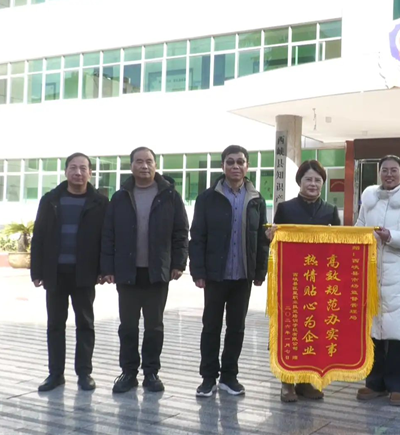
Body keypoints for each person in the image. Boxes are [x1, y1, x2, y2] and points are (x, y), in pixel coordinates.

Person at [101, 147, 189, 394]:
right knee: (128, 326)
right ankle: (128, 372)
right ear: (131, 166)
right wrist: (107, 267)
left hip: (157, 272)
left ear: (155, 165)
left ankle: (151, 373)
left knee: (154, 326)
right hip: (127, 272)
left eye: (149, 161)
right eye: (139, 161)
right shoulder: (120, 197)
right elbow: (108, 234)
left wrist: (178, 263)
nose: (144, 166)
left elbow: (181, 232)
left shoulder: (170, 196)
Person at [190, 145, 269, 398]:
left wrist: (260, 271)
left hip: (243, 275)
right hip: (215, 275)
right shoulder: (207, 198)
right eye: (230, 162)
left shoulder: (256, 199)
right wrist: (198, 271)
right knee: (211, 327)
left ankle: (229, 376)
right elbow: (197, 236)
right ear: (223, 166)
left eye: (240, 162)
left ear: (247, 166)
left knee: (237, 328)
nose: (236, 166)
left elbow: (262, 238)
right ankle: (208, 378)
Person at [31, 153, 108, 392]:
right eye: (73, 168)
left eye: (83, 168)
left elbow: (106, 238)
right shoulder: (51, 199)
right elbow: (39, 235)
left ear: (90, 173)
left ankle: (84, 373)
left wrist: (104, 269)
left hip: (84, 273)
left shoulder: (99, 202)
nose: (78, 172)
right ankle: (55, 374)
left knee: (85, 323)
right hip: (55, 272)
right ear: (65, 172)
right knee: (55, 324)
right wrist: (37, 270)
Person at [355, 155, 400, 407]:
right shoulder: (368, 200)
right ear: (379, 173)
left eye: (393, 170)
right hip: (371, 273)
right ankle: (374, 383)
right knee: (373, 331)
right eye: (384, 170)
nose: (389, 174)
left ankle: (398, 386)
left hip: (399, 275)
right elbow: (359, 229)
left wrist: (391, 237)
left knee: (397, 333)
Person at [267, 159, 341, 402]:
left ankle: (307, 381)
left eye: (317, 180)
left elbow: (339, 245)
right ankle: (287, 382)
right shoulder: (286, 208)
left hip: (319, 280)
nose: (313, 184)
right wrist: (269, 236)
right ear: (299, 181)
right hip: (291, 279)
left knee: (314, 328)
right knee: (290, 329)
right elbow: (274, 241)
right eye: (308, 179)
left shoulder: (330, 211)